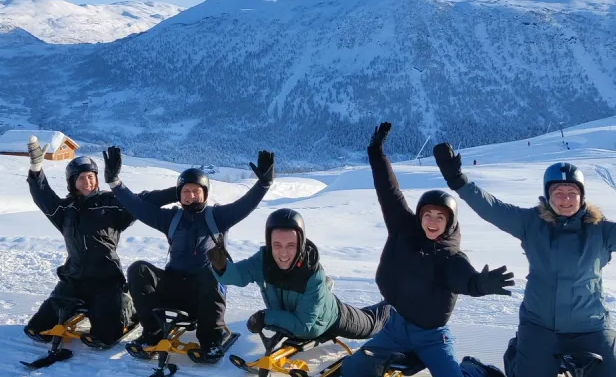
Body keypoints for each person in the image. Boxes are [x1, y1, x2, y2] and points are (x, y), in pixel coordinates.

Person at [433, 143, 616, 377]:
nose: (565, 199)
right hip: (540, 325)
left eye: (572, 193)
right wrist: (458, 181)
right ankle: (518, 349)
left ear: (582, 197)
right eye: (558, 193)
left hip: (590, 327)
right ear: (547, 196)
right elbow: (493, 208)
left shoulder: (600, 231)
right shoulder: (531, 223)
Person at [340, 123, 514, 377]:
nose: (432, 221)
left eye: (440, 217)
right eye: (428, 214)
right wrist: (375, 152)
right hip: (395, 328)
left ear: (450, 223)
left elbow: (468, 281)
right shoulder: (403, 229)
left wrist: (484, 284)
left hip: (432, 336)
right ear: (419, 216)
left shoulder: (451, 257)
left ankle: (478, 371)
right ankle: (411, 357)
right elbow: (388, 188)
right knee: (351, 372)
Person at [103, 146, 275, 360]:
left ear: (204, 193)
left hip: (206, 294)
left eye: (196, 191)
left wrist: (264, 184)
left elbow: (245, 205)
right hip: (175, 288)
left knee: (214, 270)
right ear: (179, 195)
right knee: (138, 269)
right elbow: (139, 207)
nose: (191, 195)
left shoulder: (219, 216)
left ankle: (211, 338)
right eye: (186, 191)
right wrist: (114, 183)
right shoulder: (171, 219)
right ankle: (153, 333)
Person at [23, 136, 177, 347]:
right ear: (72, 183)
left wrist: (181, 191)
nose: (87, 182)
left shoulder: (112, 204)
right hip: (74, 278)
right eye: (81, 178)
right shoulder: (64, 210)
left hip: (106, 279)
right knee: (36, 329)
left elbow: (144, 200)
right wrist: (36, 168)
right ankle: (89, 307)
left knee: (104, 337)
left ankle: (126, 306)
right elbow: (43, 196)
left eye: (91, 177)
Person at [207, 208, 392, 342]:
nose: (284, 253)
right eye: (277, 245)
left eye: (291, 245)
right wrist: (222, 266)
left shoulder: (313, 274)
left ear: (301, 243)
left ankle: (392, 306)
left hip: (327, 318)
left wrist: (266, 317)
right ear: (269, 243)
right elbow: (239, 276)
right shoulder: (264, 260)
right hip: (297, 311)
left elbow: (305, 328)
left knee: (370, 325)